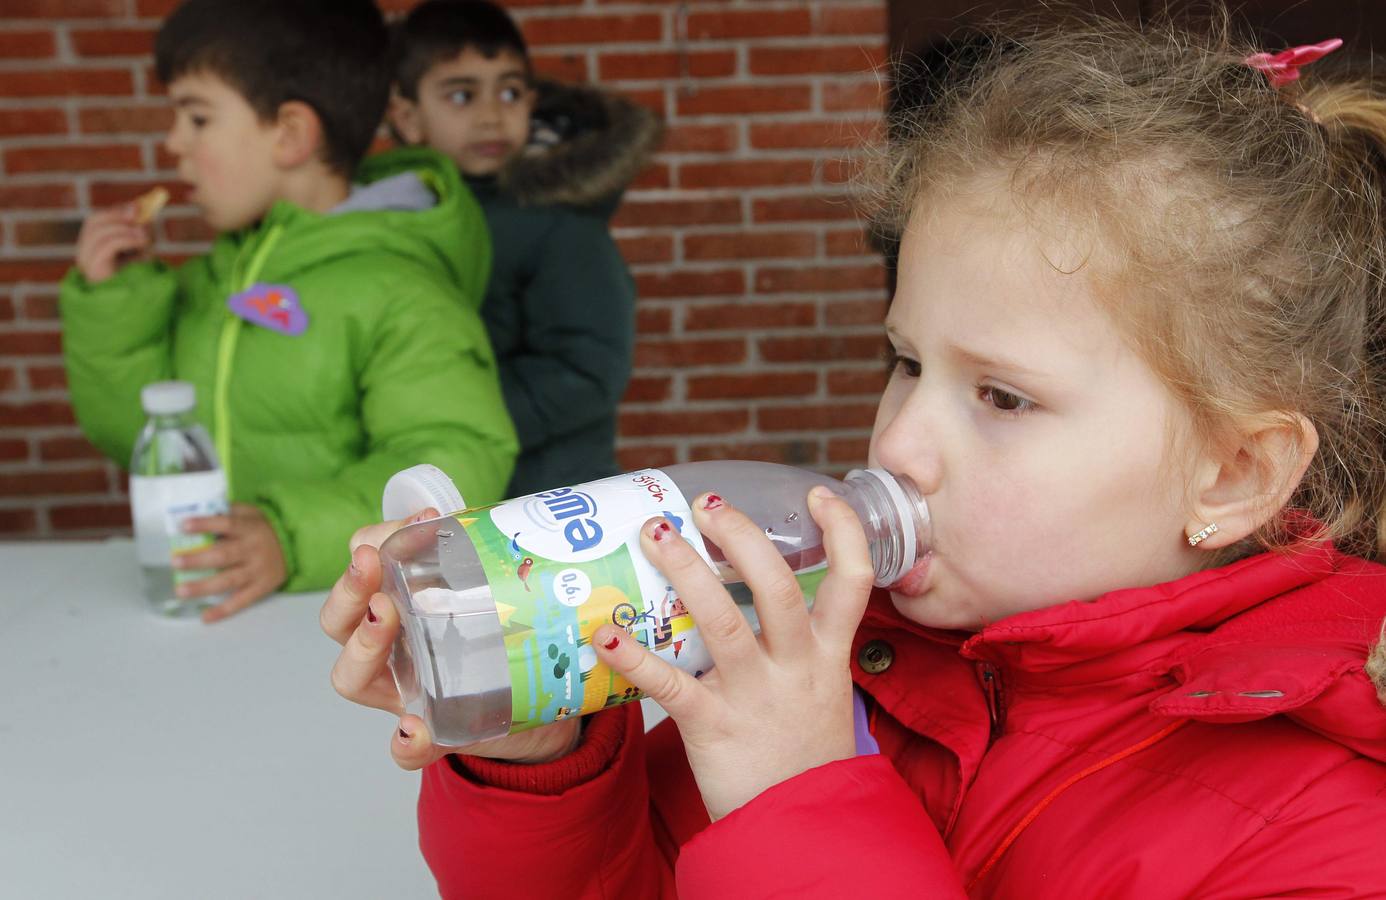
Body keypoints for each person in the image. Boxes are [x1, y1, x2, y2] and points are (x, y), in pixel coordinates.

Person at [321, 13, 1386, 897]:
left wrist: (801, 803)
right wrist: (536, 760)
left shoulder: (1327, 831)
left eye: (1003, 397)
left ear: (1233, 474)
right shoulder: (834, 664)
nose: (901, 442)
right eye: (906, 362)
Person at [60, 0, 517, 622]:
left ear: (290, 133)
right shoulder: (209, 283)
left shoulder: (401, 287)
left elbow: (455, 463)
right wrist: (114, 304)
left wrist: (290, 537)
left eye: (196, 117)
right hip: (216, 616)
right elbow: (138, 442)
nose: (173, 143)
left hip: (350, 625)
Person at [388, 0, 658, 497]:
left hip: (552, 497)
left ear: (531, 103)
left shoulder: (560, 223)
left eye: (509, 93)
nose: (492, 116)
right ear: (407, 118)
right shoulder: (400, 217)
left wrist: (455, 420)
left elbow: (586, 371)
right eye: (462, 96)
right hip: (455, 484)